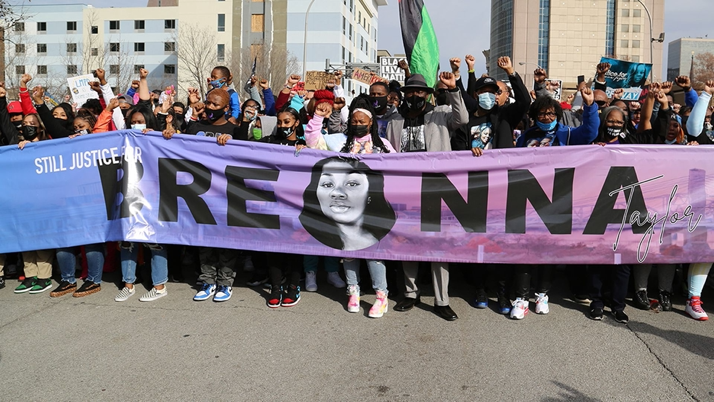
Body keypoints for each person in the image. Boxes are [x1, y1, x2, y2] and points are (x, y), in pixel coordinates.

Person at [384, 70, 468, 321]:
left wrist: (453, 89)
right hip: (406, 191)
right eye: (410, 92)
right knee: (408, 241)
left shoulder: (440, 115)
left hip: (437, 189)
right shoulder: (394, 122)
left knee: (438, 245)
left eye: (419, 92)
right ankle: (410, 294)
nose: (414, 96)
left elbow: (462, 118)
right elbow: (388, 156)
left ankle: (441, 300)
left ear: (428, 95)